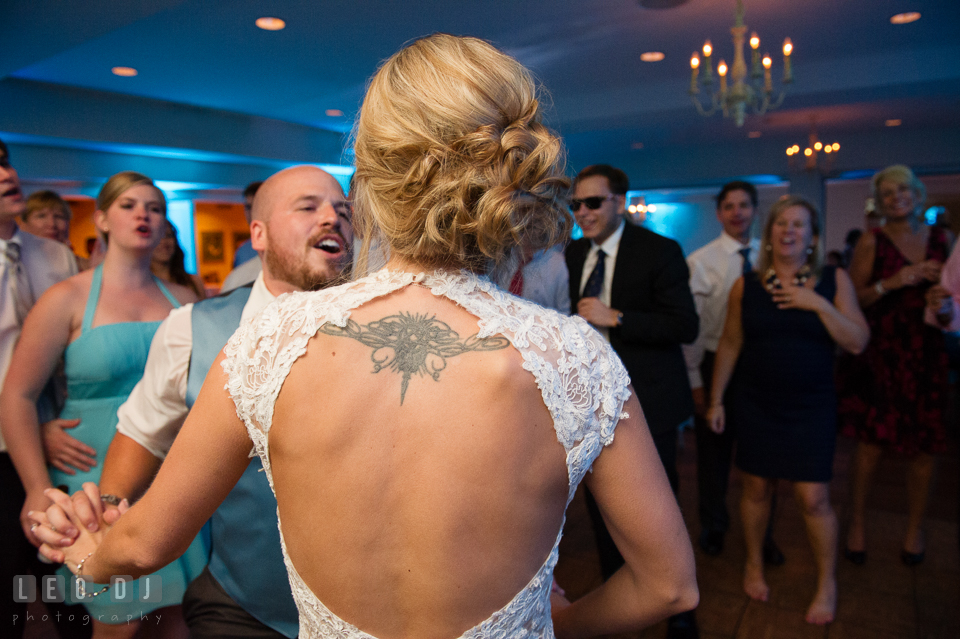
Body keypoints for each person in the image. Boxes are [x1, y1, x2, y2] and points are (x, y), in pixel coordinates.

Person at [29, 34, 697, 639]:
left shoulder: (271, 342)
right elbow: (668, 585)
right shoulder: (575, 357)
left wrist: (83, 549)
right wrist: (559, 625)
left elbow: (142, 545)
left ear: (372, 179)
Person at [93, 165, 353, 639]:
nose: (332, 218)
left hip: (364, 613)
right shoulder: (193, 329)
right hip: (242, 604)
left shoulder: (380, 332)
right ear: (259, 234)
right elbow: (142, 432)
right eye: (308, 207)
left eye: (343, 210)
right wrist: (105, 514)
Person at [0, 171, 205, 638]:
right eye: (130, 205)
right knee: (119, 621)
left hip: (168, 477)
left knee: (176, 619)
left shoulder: (186, 300)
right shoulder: (66, 299)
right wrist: (35, 487)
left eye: (155, 208)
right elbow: (17, 395)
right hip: (90, 474)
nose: (144, 215)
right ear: (101, 220)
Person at [707, 196, 868, 624]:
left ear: (812, 237)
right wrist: (717, 399)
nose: (788, 230)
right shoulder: (748, 284)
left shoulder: (834, 279)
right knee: (756, 489)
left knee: (813, 497)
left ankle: (826, 582)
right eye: (781, 223)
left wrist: (817, 303)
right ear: (771, 232)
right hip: (757, 402)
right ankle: (754, 563)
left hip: (812, 405)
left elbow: (856, 341)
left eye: (798, 224)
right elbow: (730, 342)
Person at [565, 164, 699, 638]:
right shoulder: (571, 253)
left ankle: (679, 611)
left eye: (593, 202)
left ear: (620, 202)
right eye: (576, 204)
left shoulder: (659, 251)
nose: (583, 212)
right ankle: (617, 606)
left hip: (650, 401)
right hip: (586, 406)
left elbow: (685, 326)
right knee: (604, 511)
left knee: (656, 509)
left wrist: (614, 316)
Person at [838, 164, 952, 567]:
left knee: (926, 448)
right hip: (883, 354)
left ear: (918, 193)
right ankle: (856, 525)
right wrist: (896, 280)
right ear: (879, 201)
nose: (896, 196)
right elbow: (853, 302)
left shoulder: (943, 239)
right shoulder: (873, 241)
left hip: (927, 354)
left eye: (902, 189)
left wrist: (945, 305)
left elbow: (954, 308)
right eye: (887, 192)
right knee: (869, 446)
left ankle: (915, 529)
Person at [0, 137, 82, 638]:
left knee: (69, 583)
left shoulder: (54, 256)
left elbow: (69, 355)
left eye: (5, 163)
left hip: (58, 442)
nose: (6, 175)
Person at [683, 181, 785, 562]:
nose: (737, 212)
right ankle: (714, 525)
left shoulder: (773, 259)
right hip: (713, 363)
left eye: (744, 205)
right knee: (714, 456)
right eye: (729, 206)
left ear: (756, 210)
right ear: (719, 213)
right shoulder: (701, 261)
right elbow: (692, 330)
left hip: (761, 365)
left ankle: (764, 535)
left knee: (763, 456)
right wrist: (695, 380)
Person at [151, 219, 206, 299]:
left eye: (169, 236)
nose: (164, 242)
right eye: (159, 237)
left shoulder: (194, 282)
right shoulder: (140, 286)